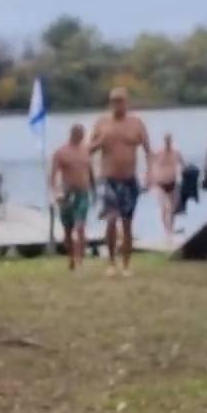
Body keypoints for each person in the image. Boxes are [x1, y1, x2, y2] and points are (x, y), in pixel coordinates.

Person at [88, 87, 152, 275]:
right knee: (111, 219)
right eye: (114, 101)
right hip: (108, 179)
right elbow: (87, 150)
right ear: (110, 103)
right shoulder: (102, 123)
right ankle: (111, 262)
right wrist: (99, 142)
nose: (117, 104)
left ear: (126, 102)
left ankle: (126, 264)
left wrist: (149, 175)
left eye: (120, 101)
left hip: (129, 179)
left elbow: (148, 152)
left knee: (127, 223)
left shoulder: (136, 124)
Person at [49, 123, 93, 270]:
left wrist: (94, 191)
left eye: (82, 134)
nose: (81, 137)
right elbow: (53, 176)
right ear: (72, 134)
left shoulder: (85, 151)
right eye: (78, 134)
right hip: (67, 194)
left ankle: (80, 260)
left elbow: (90, 172)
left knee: (80, 227)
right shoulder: (61, 152)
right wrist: (57, 193)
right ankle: (71, 258)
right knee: (68, 229)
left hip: (83, 193)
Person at [150, 131, 183, 240]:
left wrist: (185, 176)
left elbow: (183, 165)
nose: (168, 143)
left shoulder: (176, 153)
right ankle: (166, 231)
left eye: (169, 140)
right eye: (166, 141)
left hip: (172, 183)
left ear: (171, 141)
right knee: (164, 208)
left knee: (172, 209)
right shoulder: (159, 153)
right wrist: (151, 179)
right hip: (160, 184)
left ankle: (171, 230)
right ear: (164, 141)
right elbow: (151, 164)